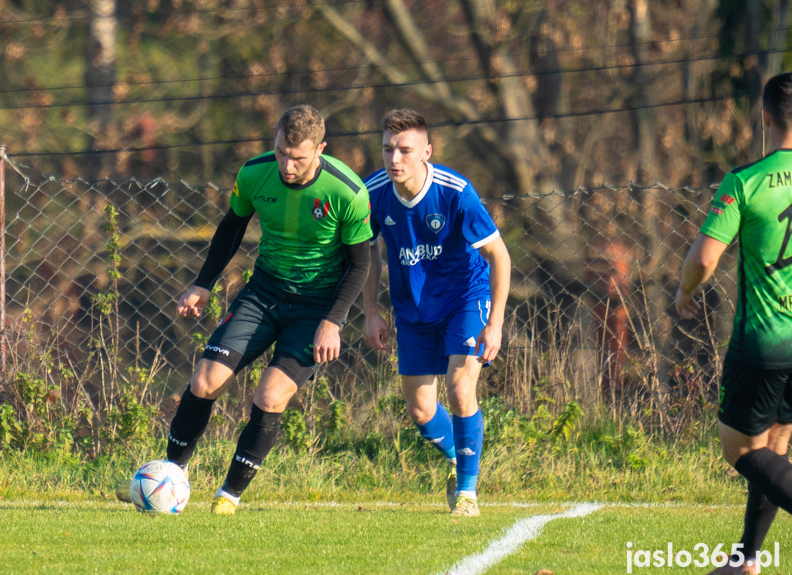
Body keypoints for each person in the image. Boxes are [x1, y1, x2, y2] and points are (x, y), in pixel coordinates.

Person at [117, 105, 372, 514]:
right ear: (274, 138)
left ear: (320, 149)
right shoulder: (254, 173)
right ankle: (169, 479)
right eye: (280, 153)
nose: (287, 165)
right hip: (263, 294)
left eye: (299, 158)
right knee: (205, 381)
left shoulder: (348, 192)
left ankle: (228, 495)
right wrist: (203, 284)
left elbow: (360, 264)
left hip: (316, 308)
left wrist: (333, 322)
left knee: (270, 396)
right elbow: (231, 228)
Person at [362, 109, 511, 517]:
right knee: (422, 410)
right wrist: (371, 310)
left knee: (461, 389)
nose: (395, 159)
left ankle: (467, 492)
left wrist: (495, 323)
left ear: (426, 151)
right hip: (412, 309)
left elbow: (499, 255)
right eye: (388, 149)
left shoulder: (455, 191)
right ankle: (458, 456)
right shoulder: (372, 193)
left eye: (405, 150)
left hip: (465, 298)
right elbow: (367, 253)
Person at [676, 72, 792, 575]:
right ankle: (746, 560)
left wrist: (684, 291)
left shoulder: (745, 181)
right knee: (775, 448)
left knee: (740, 450)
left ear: (764, 115)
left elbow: (705, 257)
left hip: (764, 343)